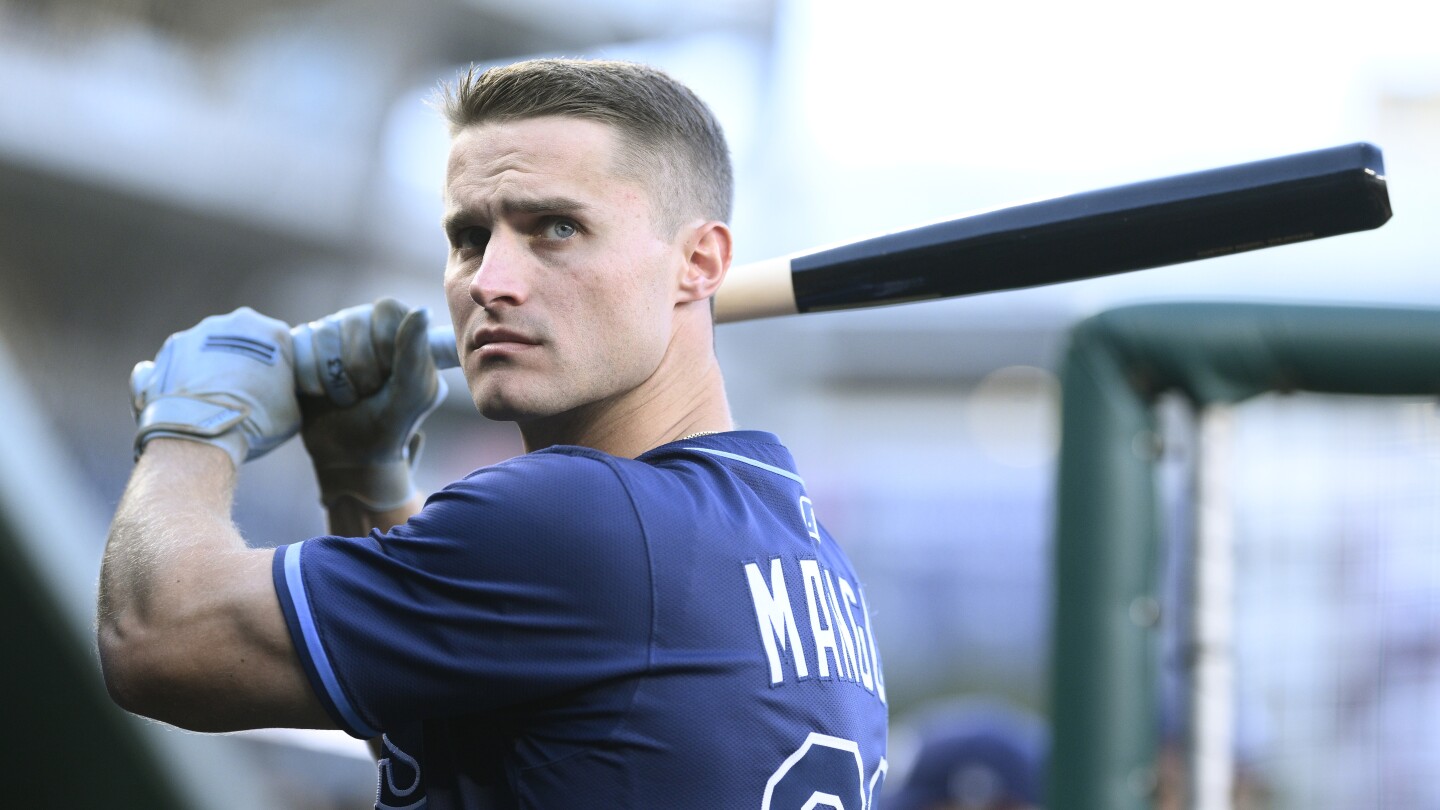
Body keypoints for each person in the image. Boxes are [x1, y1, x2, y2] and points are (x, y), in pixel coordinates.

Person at [97, 58, 889, 808]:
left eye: (556, 229)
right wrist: (363, 474)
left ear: (699, 262)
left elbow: (158, 638)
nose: (489, 283)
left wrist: (196, 423)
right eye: (470, 238)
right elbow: (456, 710)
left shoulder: (581, 515)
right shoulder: (798, 544)